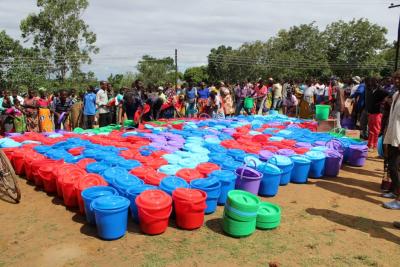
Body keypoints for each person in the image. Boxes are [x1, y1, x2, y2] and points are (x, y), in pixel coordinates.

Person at [383, 71, 400, 210]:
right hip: (393, 135)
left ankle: (398, 199)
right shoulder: (396, 95)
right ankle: (393, 190)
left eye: (399, 78)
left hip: (399, 138)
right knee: (391, 164)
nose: (397, 81)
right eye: (395, 78)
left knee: (395, 167)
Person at [365, 77, 388, 151]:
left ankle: (374, 145)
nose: (371, 83)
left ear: (377, 82)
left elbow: (388, 94)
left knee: (376, 130)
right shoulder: (372, 90)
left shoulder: (380, 90)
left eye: (373, 81)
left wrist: (383, 102)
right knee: (371, 129)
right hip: (371, 113)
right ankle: (370, 144)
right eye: (371, 81)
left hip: (377, 113)